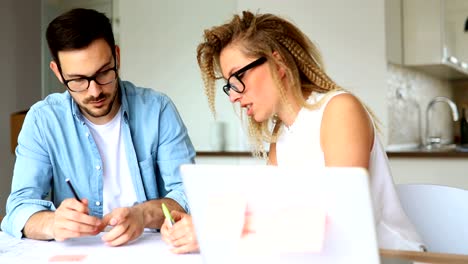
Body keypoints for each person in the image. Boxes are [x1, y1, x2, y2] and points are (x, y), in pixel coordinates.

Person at [161, 10, 425, 253]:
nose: (233, 96)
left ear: (277, 63)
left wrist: (215, 231)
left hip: (390, 257)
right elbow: (266, 209)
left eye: (237, 78)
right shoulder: (283, 136)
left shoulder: (339, 110)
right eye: (229, 86)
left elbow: (337, 221)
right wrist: (204, 223)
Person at [1, 8, 195, 247]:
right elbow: (20, 206)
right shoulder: (43, 120)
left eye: (104, 73)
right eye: (78, 80)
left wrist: (143, 214)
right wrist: (52, 222)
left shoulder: (158, 110)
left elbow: (188, 194)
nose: (95, 91)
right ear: (58, 73)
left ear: (117, 57)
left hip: (151, 251)